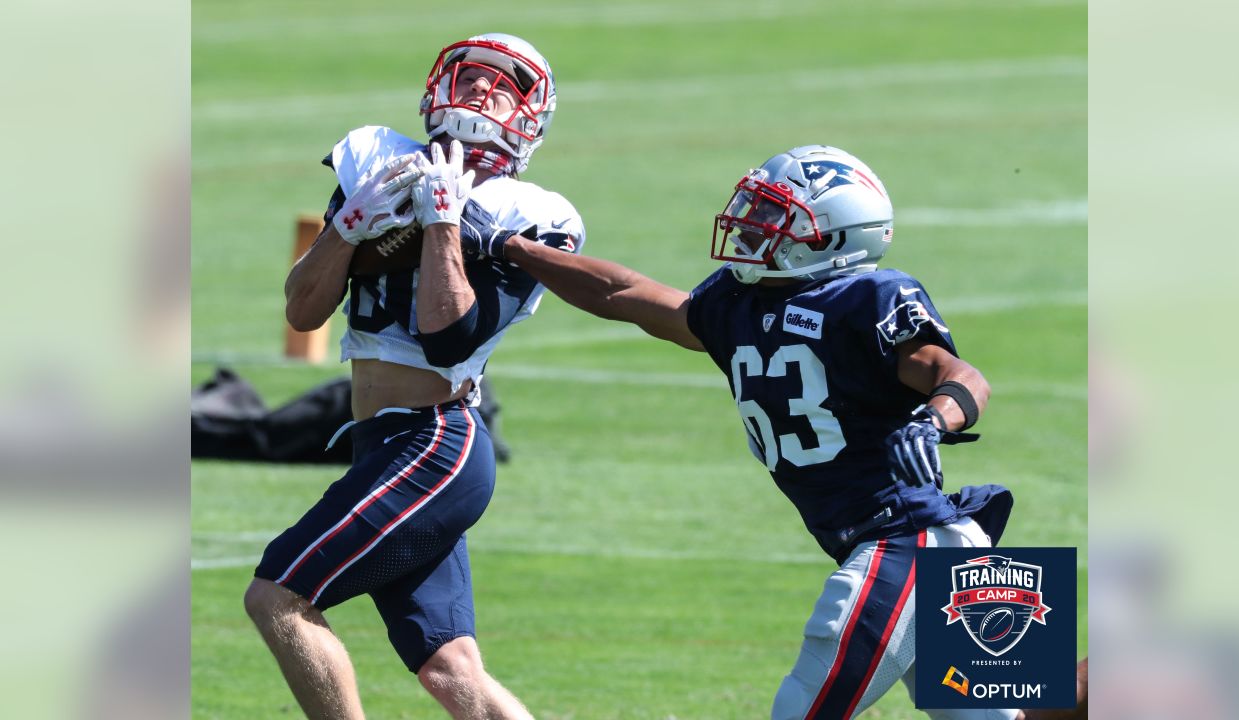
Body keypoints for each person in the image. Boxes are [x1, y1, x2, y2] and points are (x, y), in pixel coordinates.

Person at [459, 145, 1073, 718]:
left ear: (830, 237)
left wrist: (934, 419)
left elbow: (960, 376)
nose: (752, 225)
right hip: (929, 543)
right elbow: (623, 293)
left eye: (778, 217)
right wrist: (513, 248)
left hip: (906, 545)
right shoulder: (735, 305)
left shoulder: (868, 297)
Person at [242, 33, 584, 720]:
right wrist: (347, 225)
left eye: (503, 85)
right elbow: (304, 311)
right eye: (471, 75)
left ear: (532, 114)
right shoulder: (376, 156)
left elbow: (447, 332)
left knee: (279, 595)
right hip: (384, 439)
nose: (481, 90)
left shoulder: (531, 213)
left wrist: (442, 226)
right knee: (451, 672)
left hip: (436, 443)